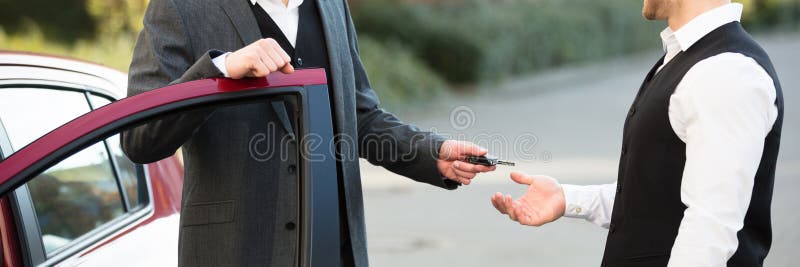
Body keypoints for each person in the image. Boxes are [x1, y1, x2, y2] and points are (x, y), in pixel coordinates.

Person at [121, 0, 495, 266]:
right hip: (236, 252)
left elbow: (359, 116)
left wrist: (432, 152)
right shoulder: (179, 7)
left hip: (333, 250)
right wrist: (219, 70)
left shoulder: (332, 6)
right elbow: (140, 138)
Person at [490, 1, 783, 266]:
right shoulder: (688, 56)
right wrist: (566, 197)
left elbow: (711, 227)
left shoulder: (726, 71)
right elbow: (659, 194)